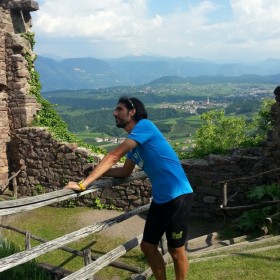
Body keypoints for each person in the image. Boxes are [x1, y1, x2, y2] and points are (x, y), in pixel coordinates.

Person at [65, 96, 193, 280]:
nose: (114, 113)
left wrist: (83, 184)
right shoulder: (134, 144)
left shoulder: (145, 126)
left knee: (176, 249)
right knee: (148, 246)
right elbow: (125, 171)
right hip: (161, 199)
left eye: (119, 109)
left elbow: (114, 155)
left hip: (178, 196)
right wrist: (98, 171)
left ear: (132, 112)